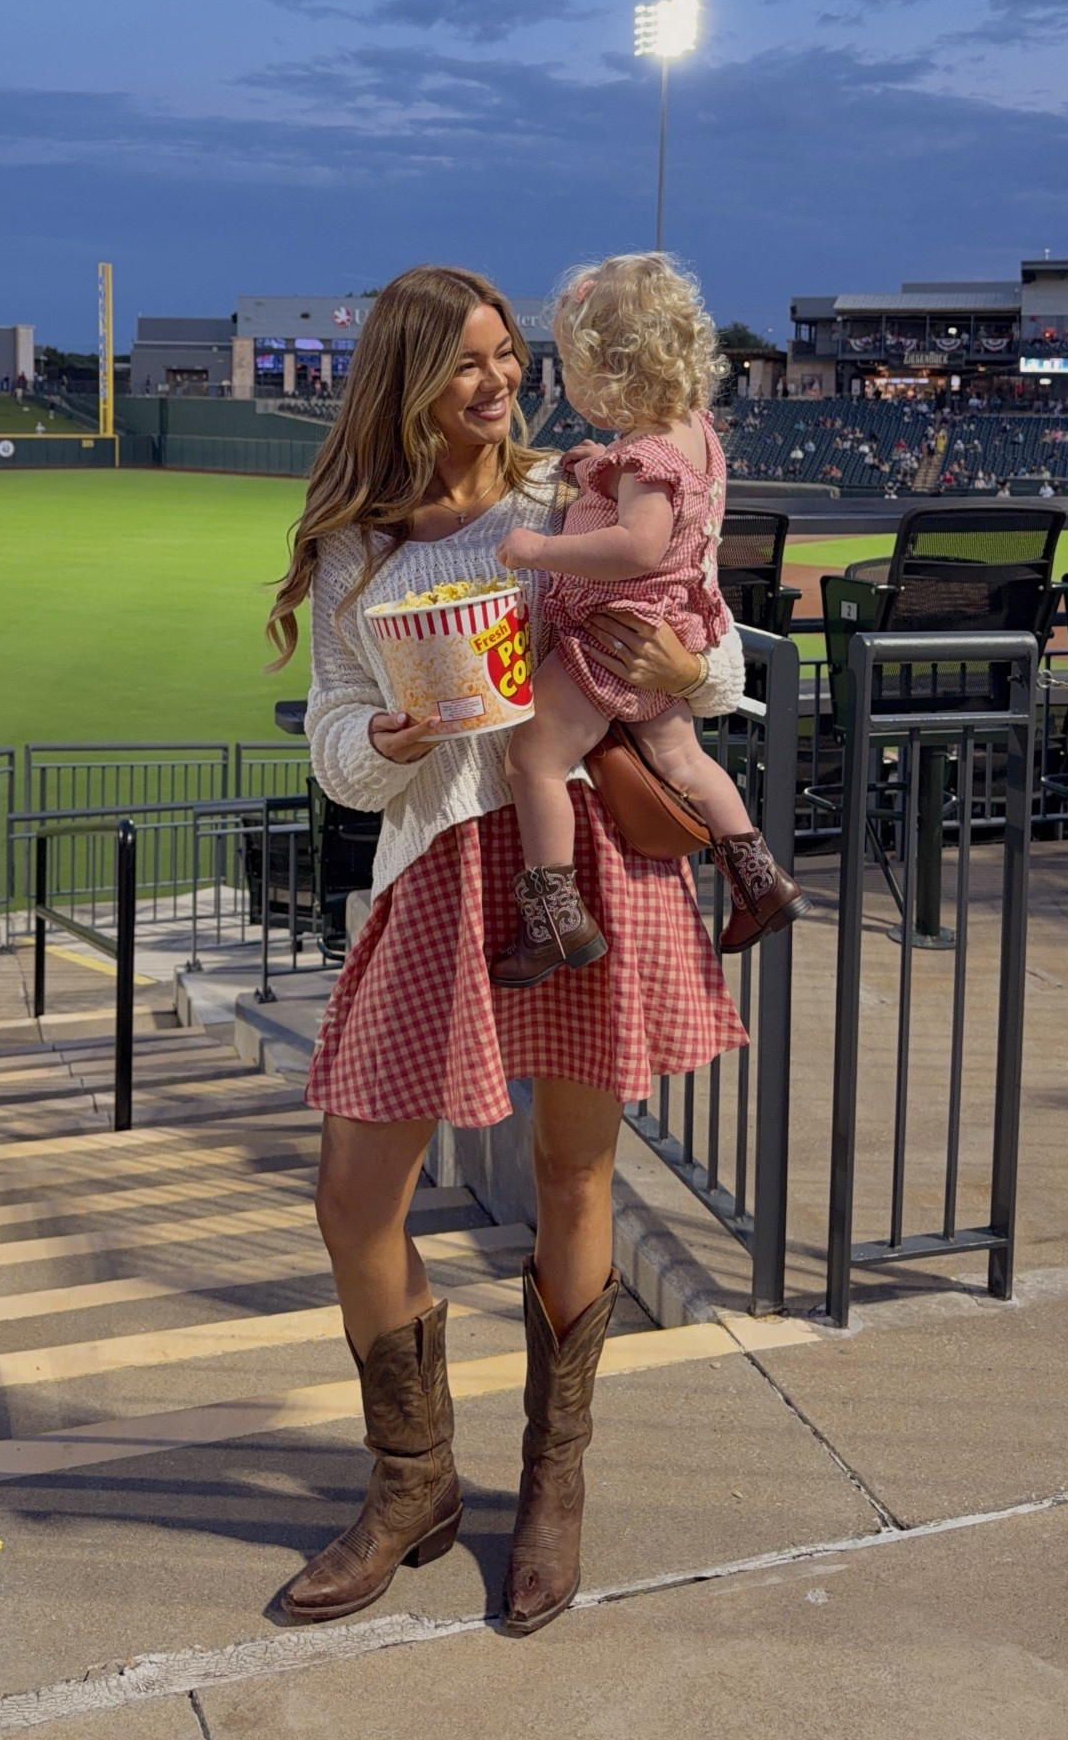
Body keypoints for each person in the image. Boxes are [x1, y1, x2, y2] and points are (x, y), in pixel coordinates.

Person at [265, 265, 748, 1637]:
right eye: (466, 365)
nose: (498, 385)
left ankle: (553, 1483)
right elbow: (337, 745)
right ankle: (413, 1482)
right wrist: (391, 740)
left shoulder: (576, 491)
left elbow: (706, 649)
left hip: (582, 852)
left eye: (506, 357)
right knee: (357, 1195)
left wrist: (682, 678)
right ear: (406, 382)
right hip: (437, 868)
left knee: (572, 1167)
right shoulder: (360, 542)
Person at [493, 255, 805, 983]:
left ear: (610, 371)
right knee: (683, 759)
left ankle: (556, 919)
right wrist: (599, 465)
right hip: (673, 626)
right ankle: (761, 883)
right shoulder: (690, 429)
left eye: (571, 365)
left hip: (613, 641)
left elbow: (639, 542)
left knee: (532, 757)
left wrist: (540, 546)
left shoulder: (649, 456)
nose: (565, 381)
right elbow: (661, 493)